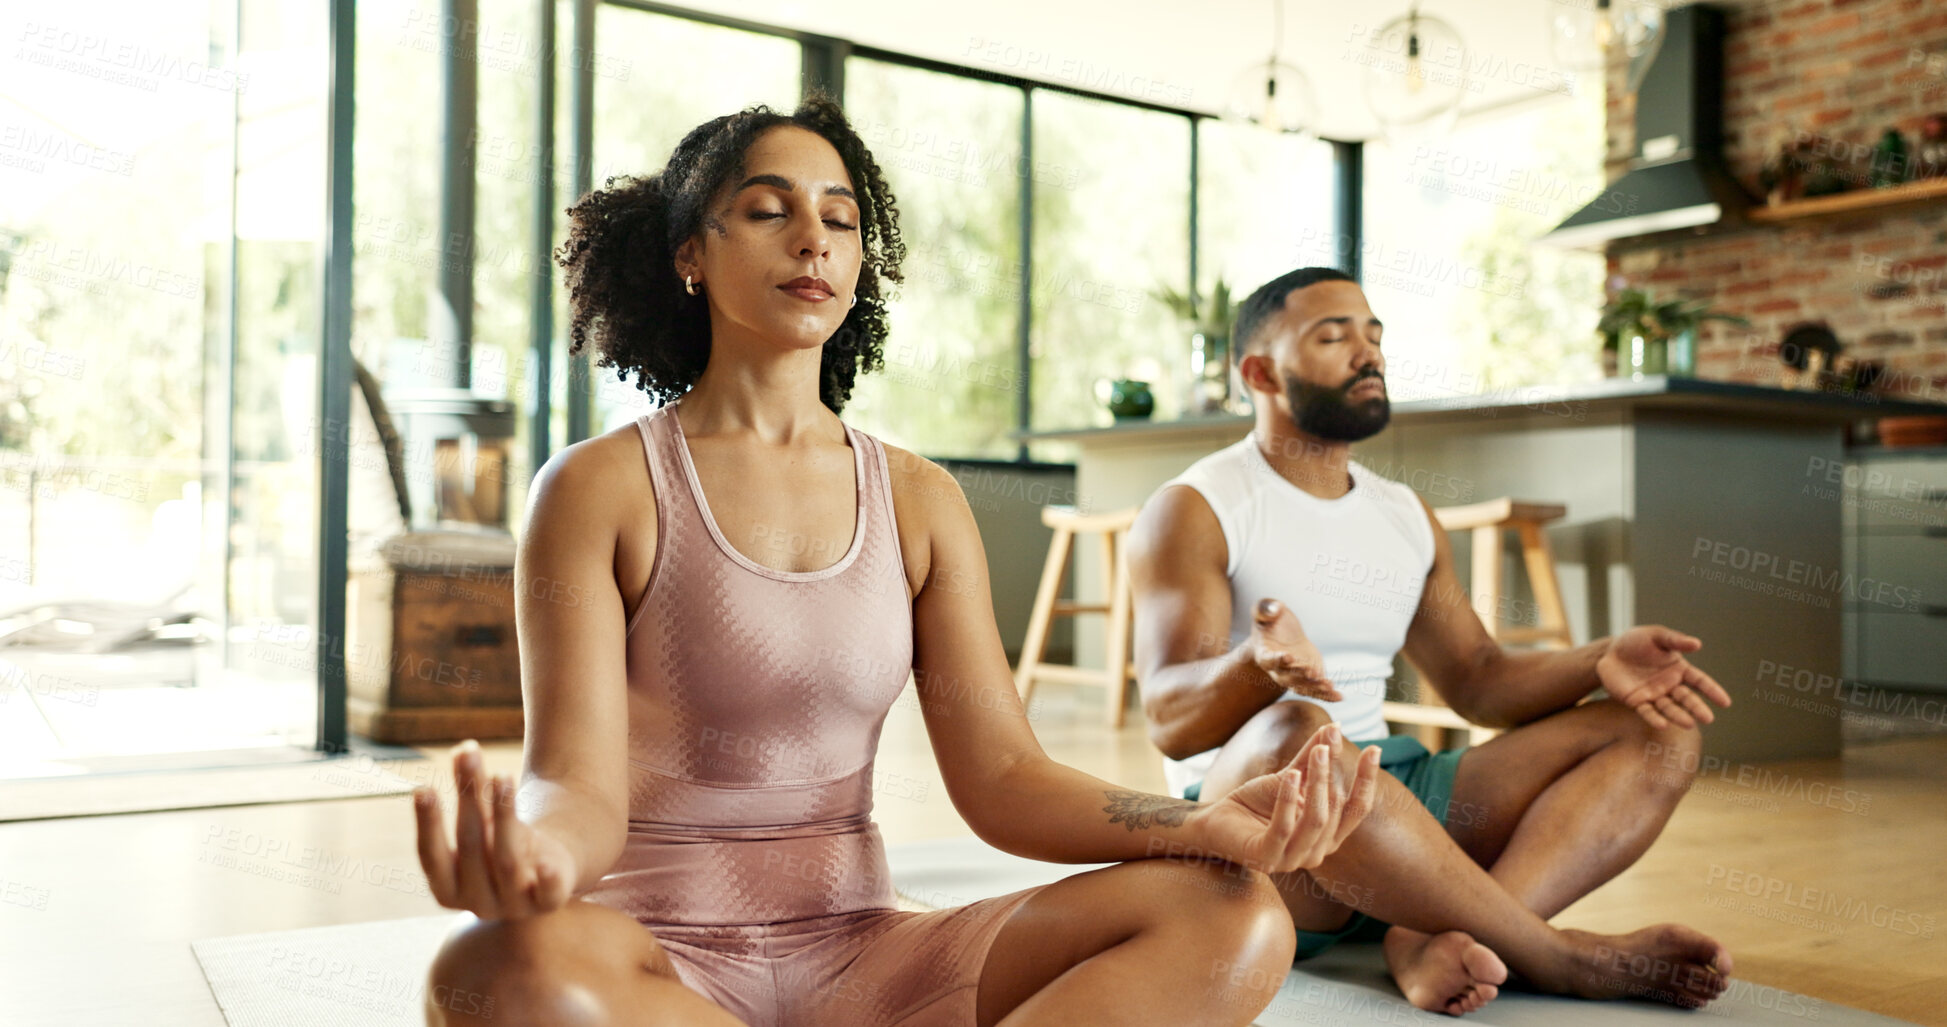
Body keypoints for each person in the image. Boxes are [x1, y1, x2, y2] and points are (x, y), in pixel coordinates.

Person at [408, 100, 1384, 1027]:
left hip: (867, 955)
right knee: (488, 968)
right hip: (658, 964)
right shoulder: (597, 487)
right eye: (767, 210)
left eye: (839, 217)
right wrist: (530, 855)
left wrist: (1203, 823)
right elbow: (572, 786)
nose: (814, 239)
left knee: (1232, 914)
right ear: (690, 256)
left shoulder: (919, 498)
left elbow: (1005, 777)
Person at [1125, 267, 1737, 1017]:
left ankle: (1433, 931)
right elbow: (1167, 716)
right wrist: (1256, 669)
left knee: (1657, 729)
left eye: (1373, 334)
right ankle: (1553, 955)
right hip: (1261, 831)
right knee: (1298, 730)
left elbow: (1478, 680)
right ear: (1259, 372)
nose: (1367, 352)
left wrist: (1596, 658)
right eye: (1332, 335)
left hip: (1397, 806)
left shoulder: (1403, 513)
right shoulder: (1197, 505)